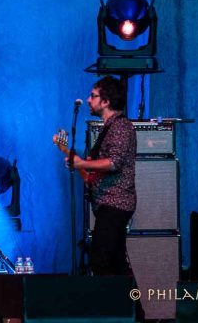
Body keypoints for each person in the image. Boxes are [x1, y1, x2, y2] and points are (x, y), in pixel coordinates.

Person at [63, 76, 136, 276]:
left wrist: (82, 163)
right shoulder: (109, 128)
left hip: (116, 202)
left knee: (101, 260)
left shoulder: (120, 127)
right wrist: (78, 163)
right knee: (116, 263)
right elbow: (92, 174)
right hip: (108, 204)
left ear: (106, 101)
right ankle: (130, 298)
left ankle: (119, 297)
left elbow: (114, 162)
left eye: (93, 96)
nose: (88, 100)